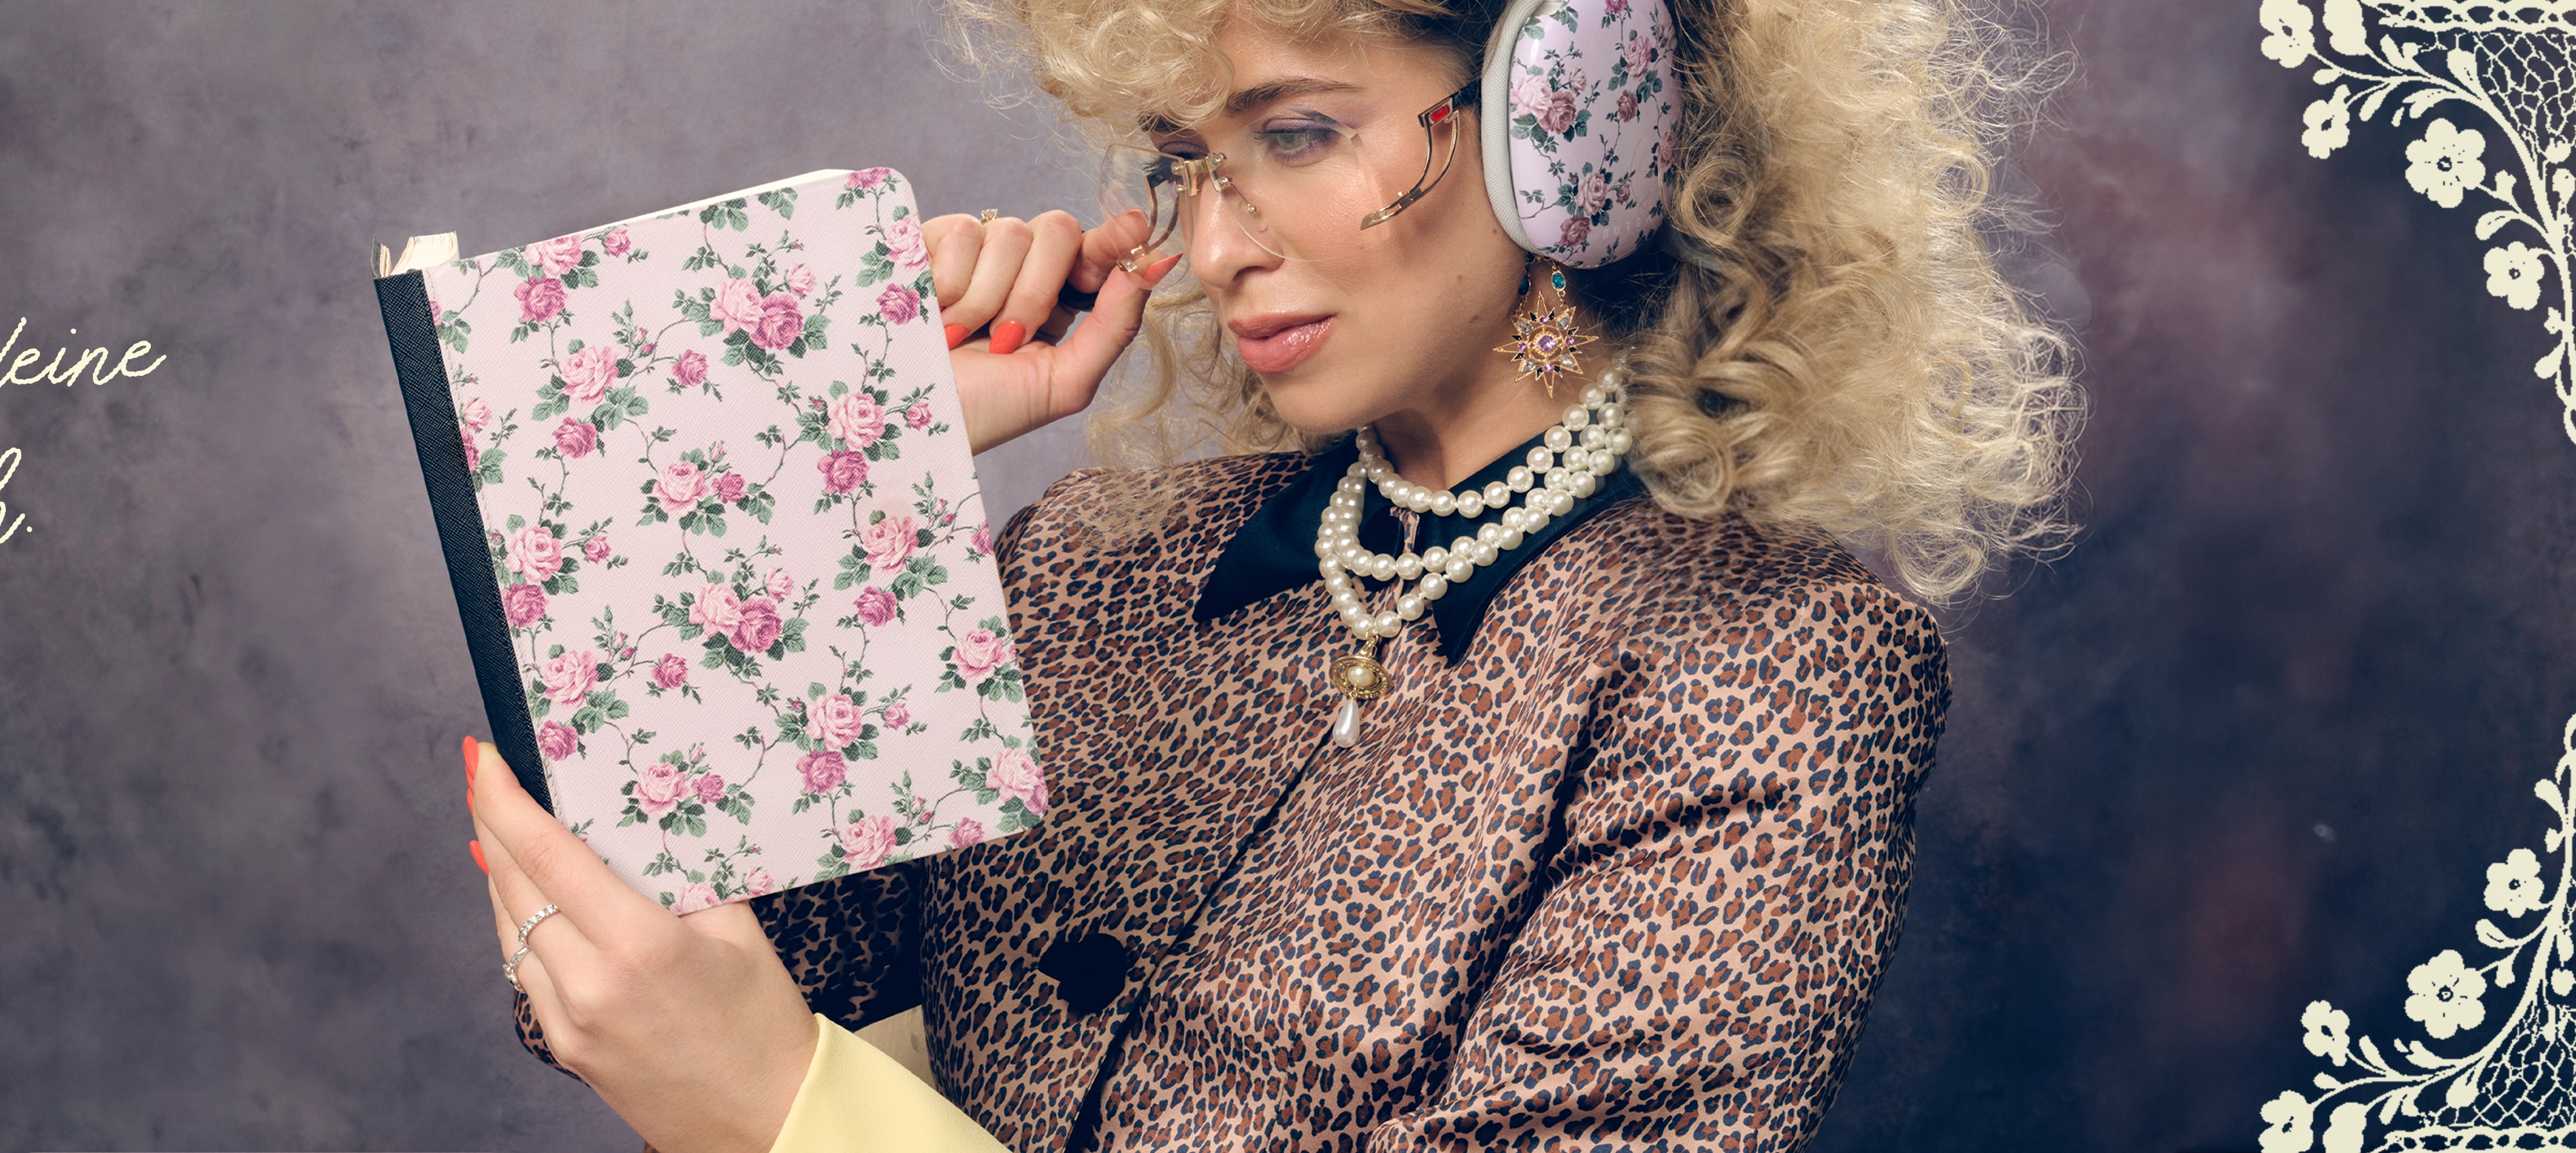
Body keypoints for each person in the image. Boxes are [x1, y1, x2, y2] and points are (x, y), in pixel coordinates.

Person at [457, 0, 2074, 1149]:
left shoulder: (1769, 668)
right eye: (1190, 161)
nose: (1219, 246)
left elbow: (736, 1063)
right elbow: (635, 968)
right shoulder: (1091, 566)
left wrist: (804, 1124)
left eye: (1297, 135)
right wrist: (843, 471)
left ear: (1573, 116)